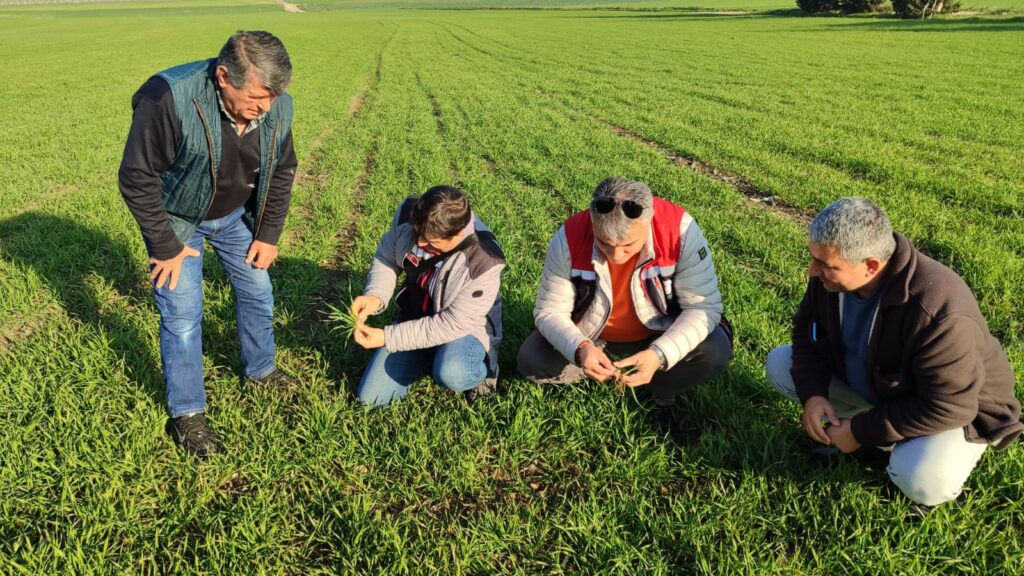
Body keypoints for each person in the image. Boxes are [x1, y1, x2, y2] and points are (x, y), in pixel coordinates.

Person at [766, 197, 1022, 509]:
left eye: (826, 265)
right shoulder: (829, 279)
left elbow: (950, 405)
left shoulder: (937, 308)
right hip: (884, 390)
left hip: (957, 412)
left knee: (923, 478)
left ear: (870, 265)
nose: (812, 270)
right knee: (781, 363)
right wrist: (814, 394)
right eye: (813, 258)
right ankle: (872, 440)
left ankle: (916, 469)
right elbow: (806, 334)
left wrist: (861, 431)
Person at [118, 31, 298, 458]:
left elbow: (283, 169)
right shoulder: (167, 98)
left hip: (236, 218)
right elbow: (136, 177)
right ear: (223, 76)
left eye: (273, 97)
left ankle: (261, 371)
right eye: (257, 96)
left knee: (258, 292)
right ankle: (187, 413)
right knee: (182, 314)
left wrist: (268, 234)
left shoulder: (276, 105)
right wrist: (165, 245)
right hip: (178, 222)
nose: (266, 107)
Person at [517, 177, 733, 437]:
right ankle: (604, 368)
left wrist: (659, 354)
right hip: (593, 335)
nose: (616, 255)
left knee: (715, 350)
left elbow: (703, 308)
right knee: (531, 360)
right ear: (591, 221)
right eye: (604, 244)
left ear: (649, 222)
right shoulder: (569, 236)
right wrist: (580, 348)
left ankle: (660, 391)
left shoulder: (681, 231)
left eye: (629, 245)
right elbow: (549, 311)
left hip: (659, 331)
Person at [351, 185, 505, 406]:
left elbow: (450, 324)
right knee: (371, 399)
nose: (420, 243)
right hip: (417, 315)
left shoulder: (484, 260)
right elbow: (386, 258)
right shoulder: (410, 216)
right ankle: (428, 352)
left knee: (453, 372)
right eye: (418, 233)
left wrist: (387, 337)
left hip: (462, 329)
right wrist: (375, 296)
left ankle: (486, 369)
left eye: (431, 242)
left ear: (458, 235)